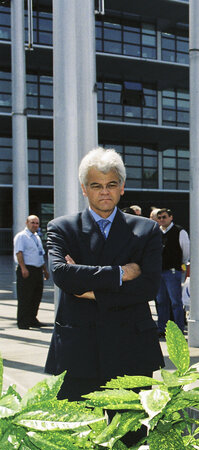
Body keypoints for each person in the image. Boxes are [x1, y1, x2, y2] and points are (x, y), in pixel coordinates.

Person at [44, 147, 164, 401]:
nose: (104, 192)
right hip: (79, 350)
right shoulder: (62, 228)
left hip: (131, 349)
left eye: (111, 184)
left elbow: (148, 286)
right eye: (96, 185)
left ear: (122, 187)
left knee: (131, 437)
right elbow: (62, 275)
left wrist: (88, 290)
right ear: (84, 188)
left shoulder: (147, 230)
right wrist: (121, 273)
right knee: (78, 436)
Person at [156, 208, 189, 335]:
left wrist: (182, 263)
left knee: (175, 301)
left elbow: (186, 250)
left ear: (171, 217)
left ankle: (179, 329)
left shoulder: (179, 231)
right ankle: (162, 328)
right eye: (159, 218)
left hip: (173, 271)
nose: (162, 220)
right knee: (161, 301)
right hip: (159, 271)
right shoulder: (156, 232)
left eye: (164, 217)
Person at [13, 215, 49, 329]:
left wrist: (44, 270)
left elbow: (40, 254)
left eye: (37, 223)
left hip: (37, 270)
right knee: (25, 297)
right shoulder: (21, 236)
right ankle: (23, 322)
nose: (35, 225)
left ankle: (32, 319)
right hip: (27, 269)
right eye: (32, 222)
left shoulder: (36, 237)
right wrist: (23, 268)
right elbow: (19, 253)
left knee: (36, 296)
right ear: (27, 223)